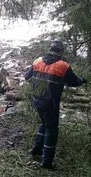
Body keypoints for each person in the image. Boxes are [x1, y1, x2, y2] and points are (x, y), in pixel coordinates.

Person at [24, 40, 87, 169]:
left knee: (44, 123)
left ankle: (36, 149)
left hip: (37, 100)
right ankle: (47, 162)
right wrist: (82, 80)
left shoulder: (37, 61)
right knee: (52, 130)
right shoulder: (63, 66)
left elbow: (26, 77)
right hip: (50, 103)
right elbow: (73, 82)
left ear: (50, 49)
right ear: (61, 52)